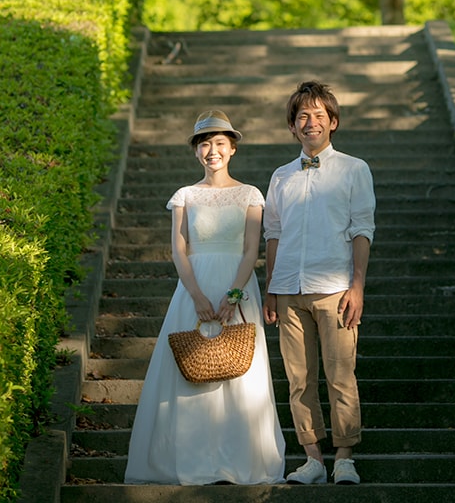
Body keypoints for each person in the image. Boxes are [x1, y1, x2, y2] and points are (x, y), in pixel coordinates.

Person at [124, 109, 285, 486]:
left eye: (219, 144)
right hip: (193, 288)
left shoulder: (250, 194)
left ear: (232, 149)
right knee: (189, 374)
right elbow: (179, 248)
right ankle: (189, 459)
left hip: (237, 286)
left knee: (239, 374)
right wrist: (196, 294)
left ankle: (237, 460)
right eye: (204, 144)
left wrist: (233, 294)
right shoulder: (185, 195)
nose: (212, 151)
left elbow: (251, 249)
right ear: (197, 151)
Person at [263, 81, 375, 486]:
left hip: (335, 289)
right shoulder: (280, 177)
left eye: (318, 116)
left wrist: (357, 286)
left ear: (333, 122)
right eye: (302, 117)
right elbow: (272, 234)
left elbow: (363, 229)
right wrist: (271, 288)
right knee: (298, 378)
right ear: (292, 127)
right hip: (289, 291)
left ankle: (344, 457)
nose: (311, 123)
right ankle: (312, 458)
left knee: (341, 373)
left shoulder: (354, 169)